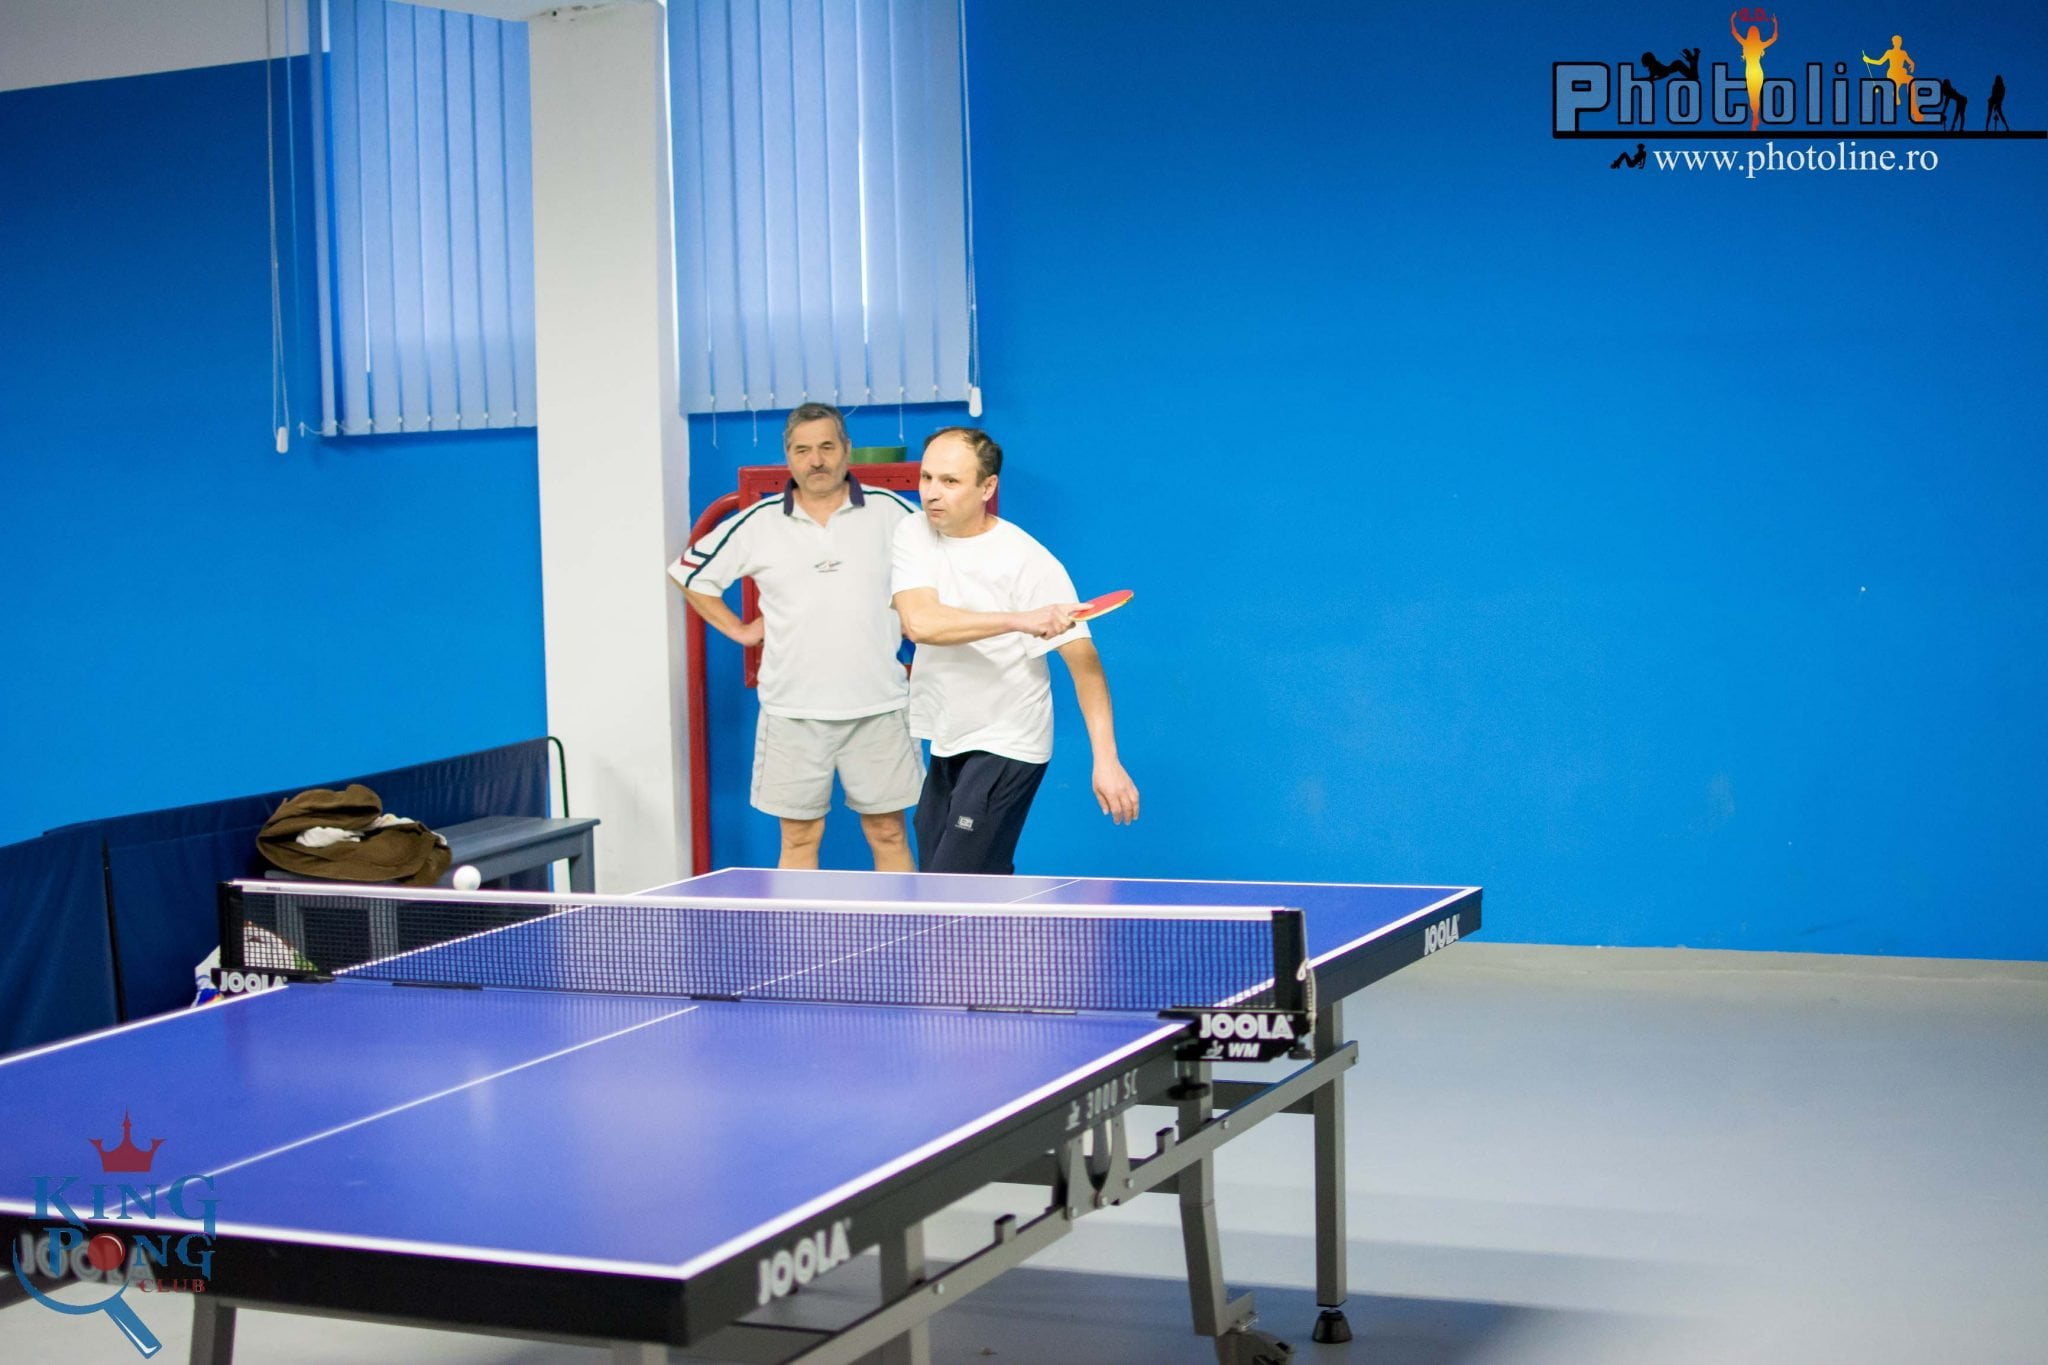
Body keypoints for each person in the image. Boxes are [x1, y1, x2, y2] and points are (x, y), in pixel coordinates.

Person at [672, 403, 922, 870]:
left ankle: (900, 924)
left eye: (827, 447)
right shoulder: (758, 521)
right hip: (791, 711)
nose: (816, 460)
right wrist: (739, 630)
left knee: (889, 833)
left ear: (847, 450)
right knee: (799, 838)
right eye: (803, 450)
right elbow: (688, 574)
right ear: (788, 456)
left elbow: (946, 563)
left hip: (880, 705)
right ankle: (798, 925)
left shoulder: (894, 512)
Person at [890, 426, 1139, 875]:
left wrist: (1106, 760)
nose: (931, 492)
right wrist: (1019, 620)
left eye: (950, 481)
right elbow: (920, 623)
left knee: (950, 884)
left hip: (1008, 739)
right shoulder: (913, 532)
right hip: (948, 735)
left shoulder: (1029, 562)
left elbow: (1085, 665)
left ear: (987, 487)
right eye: (926, 478)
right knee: (951, 877)